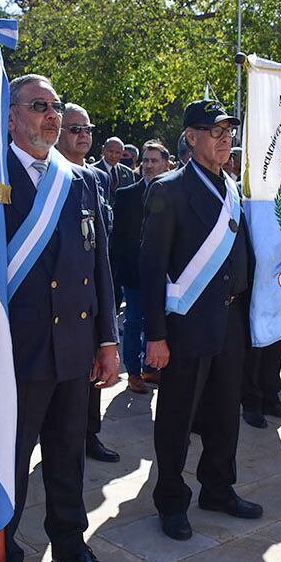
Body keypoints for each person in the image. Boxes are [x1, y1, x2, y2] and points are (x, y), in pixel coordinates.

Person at [0, 74, 119, 562]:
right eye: (39, 106)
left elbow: (99, 264)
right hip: (14, 352)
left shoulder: (79, 180)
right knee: (11, 464)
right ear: (11, 116)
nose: (51, 116)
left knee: (67, 455)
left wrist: (106, 340)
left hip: (74, 347)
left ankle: (68, 542)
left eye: (56, 106)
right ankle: (0, 561)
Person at [140, 99, 261, 541]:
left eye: (229, 130)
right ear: (191, 137)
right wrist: (155, 335)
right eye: (215, 131)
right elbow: (151, 269)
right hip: (185, 323)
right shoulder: (168, 190)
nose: (225, 137)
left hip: (230, 320)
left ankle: (218, 487)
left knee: (226, 410)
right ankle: (171, 500)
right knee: (177, 416)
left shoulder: (233, 189)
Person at [56, 104, 119, 463]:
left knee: (93, 374)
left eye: (87, 128)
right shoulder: (49, 179)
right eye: (74, 129)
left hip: (93, 294)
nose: (83, 135)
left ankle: (89, 434)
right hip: (60, 303)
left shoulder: (96, 178)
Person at [111, 140, 169, 395]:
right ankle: (133, 371)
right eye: (145, 160)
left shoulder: (173, 193)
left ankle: (151, 367)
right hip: (134, 275)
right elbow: (118, 239)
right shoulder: (126, 195)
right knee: (134, 322)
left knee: (156, 322)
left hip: (165, 275)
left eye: (154, 161)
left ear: (166, 164)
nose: (148, 165)